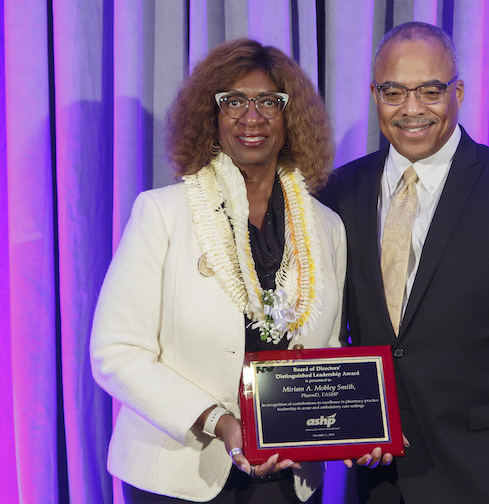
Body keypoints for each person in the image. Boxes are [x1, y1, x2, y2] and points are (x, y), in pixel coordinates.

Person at [318, 22, 489, 503]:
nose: (412, 108)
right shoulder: (339, 192)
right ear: (374, 94)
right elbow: (330, 333)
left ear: (458, 91)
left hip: (488, 482)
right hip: (379, 484)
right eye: (394, 92)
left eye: (430, 90)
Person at [90, 38, 346, 503]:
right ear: (211, 116)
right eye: (234, 102)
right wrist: (218, 420)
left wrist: (350, 425)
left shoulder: (326, 228)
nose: (253, 117)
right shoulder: (163, 213)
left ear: (292, 119)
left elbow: (326, 348)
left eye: (270, 101)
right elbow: (116, 352)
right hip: (177, 474)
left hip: (287, 477)